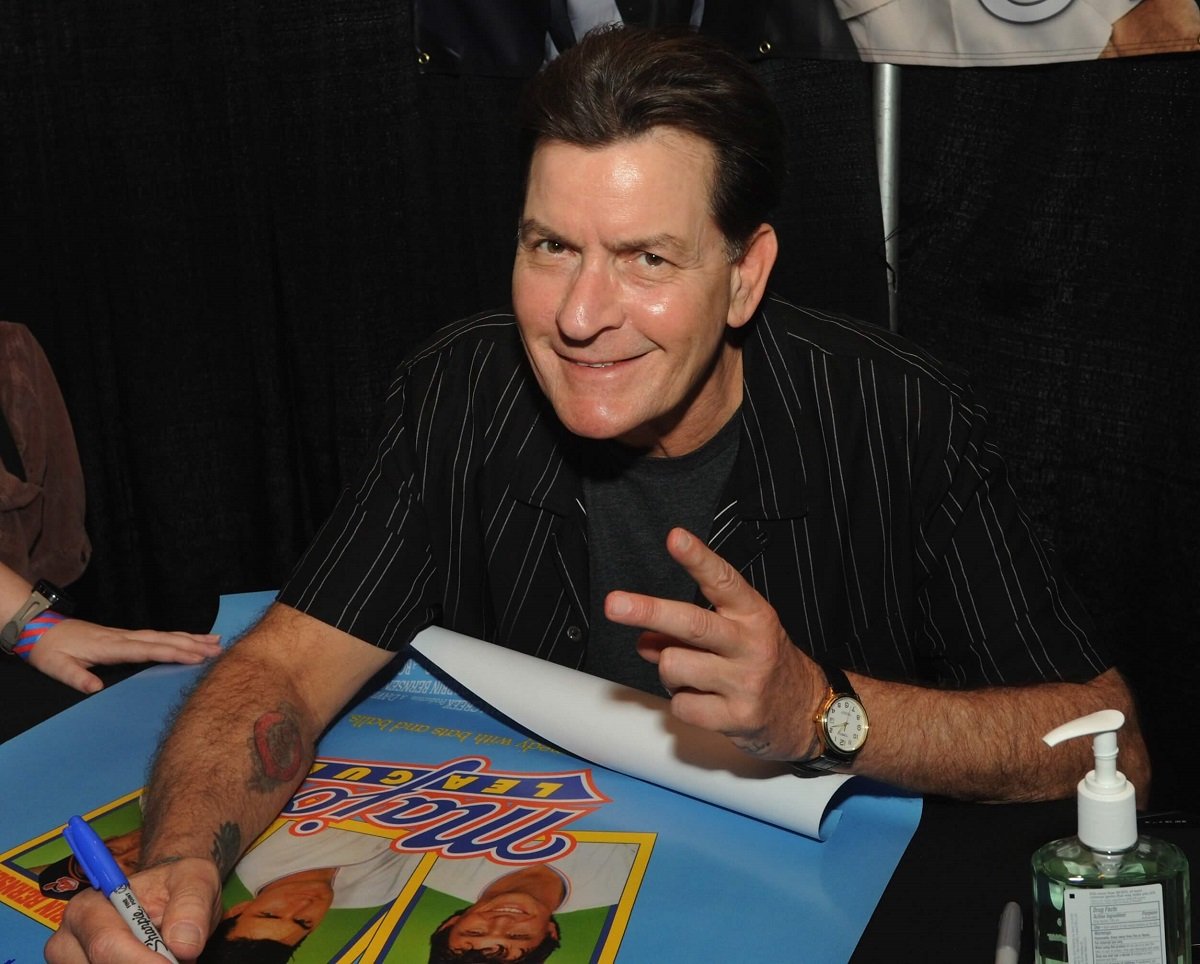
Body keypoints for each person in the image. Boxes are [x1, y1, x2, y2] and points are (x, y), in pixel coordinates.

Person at [47, 24, 1150, 962]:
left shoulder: (900, 417)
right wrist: (181, 860)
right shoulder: (458, 396)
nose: (579, 315)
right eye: (551, 246)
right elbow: (284, 668)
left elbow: (1103, 744)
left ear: (746, 276)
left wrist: (822, 712)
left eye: (646, 260)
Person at [196, 825, 421, 963]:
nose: (303, 904)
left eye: (270, 914)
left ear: (239, 908)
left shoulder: (256, 852)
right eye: (303, 922)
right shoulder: (375, 893)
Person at [425, 841, 638, 963]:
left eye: (475, 932)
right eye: (518, 935)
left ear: (450, 924)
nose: (502, 920)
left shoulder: (433, 865)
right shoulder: (624, 883)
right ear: (550, 933)